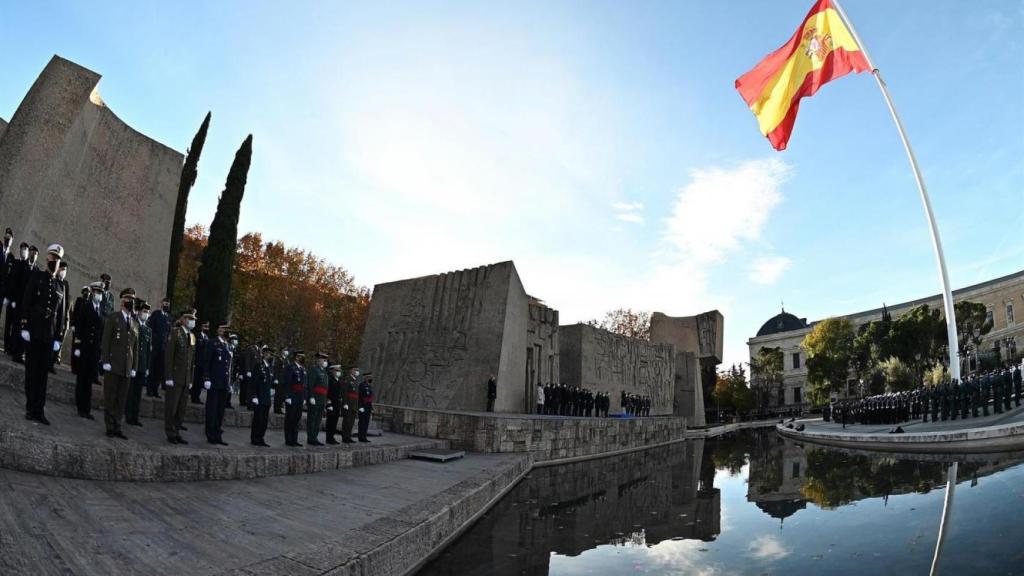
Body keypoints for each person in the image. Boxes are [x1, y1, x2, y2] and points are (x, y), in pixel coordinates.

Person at [19, 243, 67, 425]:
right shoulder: (37, 277)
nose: (54, 261)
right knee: (31, 372)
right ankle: (30, 408)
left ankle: (39, 410)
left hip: (48, 335)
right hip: (33, 332)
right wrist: (24, 325)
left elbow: (61, 315)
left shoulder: (60, 286)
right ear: (47, 258)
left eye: (57, 259)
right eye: (52, 257)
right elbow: (27, 301)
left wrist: (59, 337)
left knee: (43, 375)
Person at [100, 288, 139, 438]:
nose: (132, 303)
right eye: (130, 300)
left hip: (126, 367)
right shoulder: (113, 317)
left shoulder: (134, 323)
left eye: (133, 301)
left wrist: (134, 366)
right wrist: (105, 361)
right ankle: (109, 425)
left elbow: (134, 348)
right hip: (113, 364)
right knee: (111, 396)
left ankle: (118, 426)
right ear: (123, 301)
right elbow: (106, 340)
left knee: (122, 399)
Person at [163, 310, 196, 444]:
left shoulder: (192, 336)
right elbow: (169, 356)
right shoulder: (175, 333)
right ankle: (170, 432)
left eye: (193, 319)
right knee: (172, 406)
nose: (192, 321)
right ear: (183, 320)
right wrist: (168, 376)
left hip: (186, 378)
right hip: (175, 377)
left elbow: (192, 361)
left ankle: (176, 431)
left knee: (181, 408)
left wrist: (191, 379)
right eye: (189, 319)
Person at [202, 324, 233, 445]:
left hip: (224, 383)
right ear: (219, 331)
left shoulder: (228, 345)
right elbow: (207, 361)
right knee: (212, 409)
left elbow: (229, 366)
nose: (226, 331)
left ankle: (217, 434)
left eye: (227, 330)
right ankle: (210, 434)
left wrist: (229, 382)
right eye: (223, 329)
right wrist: (206, 378)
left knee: (220, 411)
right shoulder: (212, 343)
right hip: (214, 382)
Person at [6, 243, 37, 363]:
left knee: (25, 330)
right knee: (16, 328)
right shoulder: (22, 265)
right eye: (31, 253)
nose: (33, 255)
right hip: (19, 302)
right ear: (28, 253)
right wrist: (13, 299)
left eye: (35, 254)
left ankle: (21, 353)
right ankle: (14, 351)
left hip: (28, 306)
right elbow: (15, 283)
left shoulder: (36, 270)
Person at [124, 300, 152, 427]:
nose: (145, 314)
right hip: (133, 364)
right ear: (139, 312)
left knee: (138, 393)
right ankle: (128, 414)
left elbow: (148, 350)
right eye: (143, 311)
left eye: (147, 312)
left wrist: (147, 367)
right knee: (131, 391)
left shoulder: (147, 330)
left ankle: (135, 415)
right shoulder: (134, 325)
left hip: (142, 365)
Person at [248, 345, 274, 447]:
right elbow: (254, 382)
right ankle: (254, 438)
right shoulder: (258, 366)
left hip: (266, 398)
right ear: (263, 354)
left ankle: (261, 438)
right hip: (259, 397)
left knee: (264, 421)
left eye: (271, 354)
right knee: (257, 419)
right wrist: (254, 395)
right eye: (268, 353)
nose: (269, 356)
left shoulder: (270, 368)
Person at [147, 297, 172, 399]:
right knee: (152, 368)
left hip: (163, 347)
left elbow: (168, 333)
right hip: (155, 346)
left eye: (168, 304)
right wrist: (152, 342)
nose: (166, 305)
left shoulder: (169, 317)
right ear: (161, 303)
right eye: (165, 303)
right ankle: (149, 389)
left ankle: (155, 390)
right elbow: (150, 328)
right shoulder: (156, 314)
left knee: (160, 369)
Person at [283, 350, 307, 447]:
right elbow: (287, 382)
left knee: (297, 418)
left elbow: (305, 384)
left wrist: (304, 396)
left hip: (300, 397)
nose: (302, 359)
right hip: (292, 396)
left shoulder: (303, 369)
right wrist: (288, 396)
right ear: (296, 357)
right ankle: (288, 439)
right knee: (290, 418)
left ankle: (294, 439)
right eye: (301, 357)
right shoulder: (290, 367)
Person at [50, 261, 70, 372]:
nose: (63, 272)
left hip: (61, 316)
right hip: (53, 314)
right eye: (62, 269)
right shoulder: (54, 280)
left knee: (57, 340)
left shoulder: (66, 284)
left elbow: (66, 302)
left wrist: (66, 315)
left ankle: (52, 363)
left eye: (65, 270)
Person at [306, 352, 329, 446]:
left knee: (318, 420)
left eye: (325, 360)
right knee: (312, 419)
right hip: (315, 398)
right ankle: (310, 438)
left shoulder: (324, 372)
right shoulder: (313, 370)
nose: (325, 361)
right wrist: (311, 396)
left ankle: (315, 437)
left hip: (322, 399)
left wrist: (326, 400)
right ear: (318, 360)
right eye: (323, 360)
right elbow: (310, 384)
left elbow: (325, 388)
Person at [190, 320, 211, 404]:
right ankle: (193, 396)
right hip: (197, 361)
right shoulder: (197, 336)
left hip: (203, 362)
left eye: (207, 327)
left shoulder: (206, 337)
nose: (206, 328)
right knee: (195, 380)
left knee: (200, 381)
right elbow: (196, 347)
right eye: (205, 326)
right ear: (201, 327)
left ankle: (197, 396)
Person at [325, 363, 344, 444]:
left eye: (339, 370)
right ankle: (328, 438)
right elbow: (327, 392)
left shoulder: (338, 381)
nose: (338, 372)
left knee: (335, 421)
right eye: (336, 370)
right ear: (332, 371)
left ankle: (332, 437)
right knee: (330, 421)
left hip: (337, 404)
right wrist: (328, 404)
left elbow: (339, 393)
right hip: (331, 403)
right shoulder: (330, 380)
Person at [341, 366, 360, 444]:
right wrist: (345, 403)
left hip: (354, 404)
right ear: (351, 370)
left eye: (357, 370)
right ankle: (345, 437)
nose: (356, 371)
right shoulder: (347, 379)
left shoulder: (355, 380)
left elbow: (356, 394)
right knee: (347, 421)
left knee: (351, 421)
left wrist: (357, 405)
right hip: (348, 403)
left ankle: (348, 436)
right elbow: (344, 392)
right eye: (355, 369)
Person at [358, 371, 375, 443]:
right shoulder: (362, 385)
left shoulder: (369, 386)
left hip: (368, 406)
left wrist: (371, 406)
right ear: (365, 378)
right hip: (363, 405)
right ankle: (361, 437)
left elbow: (370, 397)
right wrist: (360, 406)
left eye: (371, 377)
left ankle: (364, 436)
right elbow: (359, 396)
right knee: (362, 422)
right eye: (369, 377)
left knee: (366, 422)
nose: (370, 378)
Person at [272, 347, 290, 415]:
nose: (286, 351)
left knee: (282, 395)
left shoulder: (287, 360)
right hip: (279, 380)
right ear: (282, 351)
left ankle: (279, 408)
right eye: (285, 350)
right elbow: (276, 369)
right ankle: (276, 408)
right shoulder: (279, 359)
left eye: (286, 350)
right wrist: (276, 378)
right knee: (278, 395)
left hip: (285, 381)